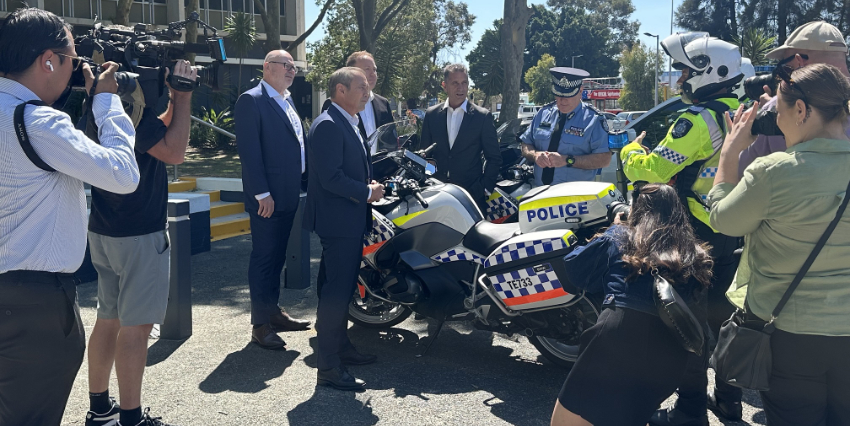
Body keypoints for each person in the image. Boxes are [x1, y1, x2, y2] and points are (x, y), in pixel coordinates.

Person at [0, 8, 140, 426]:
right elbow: (122, 174)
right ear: (47, 60)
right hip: (35, 305)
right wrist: (108, 100)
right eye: (74, 61)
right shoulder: (36, 121)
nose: (76, 70)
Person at [709, 63, 850, 426]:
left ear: (801, 110)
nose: (779, 122)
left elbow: (724, 220)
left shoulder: (774, 171)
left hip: (789, 335)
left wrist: (729, 153)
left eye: (780, 112)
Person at [620, 32, 745, 425]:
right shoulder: (744, 112)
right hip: (735, 230)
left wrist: (630, 150)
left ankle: (690, 412)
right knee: (727, 322)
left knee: (691, 327)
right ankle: (729, 401)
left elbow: (655, 169)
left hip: (697, 236)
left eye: (687, 73)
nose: (680, 82)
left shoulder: (698, 119)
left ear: (711, 73)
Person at [84, 58, 197, 426]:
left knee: (108, 318)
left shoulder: (103, 106)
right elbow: (175, 151)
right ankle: (131, 418)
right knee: (137, 328)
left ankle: (100, 409)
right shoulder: (131, 113)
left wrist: (170, 103)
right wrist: (183, 96)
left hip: (104, 229)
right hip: (139, 235)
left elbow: (155, 133)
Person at [551, 184, 713, 426]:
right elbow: (697, 319)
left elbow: (574, 270)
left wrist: (614, 228)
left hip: (617, 335)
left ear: (636, 210)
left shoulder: (622, 235)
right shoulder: (696, 254)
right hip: (669, 352)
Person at [305, 67, 385, 391]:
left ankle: (341, 348)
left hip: (348, 221)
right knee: (336, 295)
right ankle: (328, 367)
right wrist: (367, 192)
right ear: (340, 90)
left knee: (340, 289)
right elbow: (331, 178)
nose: (367, 93)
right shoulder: (327, 125)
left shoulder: (346, 121)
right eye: (361, 87)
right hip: (338, 224)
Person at [235, 50, 312, 350]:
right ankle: (260, 324)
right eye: (286, 65)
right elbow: (249, 152)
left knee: (278, 257)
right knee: (264, 259)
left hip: (289, 192)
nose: (292, 70)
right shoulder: (251, 100)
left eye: (294, 66)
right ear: (267, 67)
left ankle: (274, 312)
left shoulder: (286, 99)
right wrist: (261, 192)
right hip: (267, 196)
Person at [738, 21, 850, 176]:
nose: (779, 78)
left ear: (799, 62)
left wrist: (771, 111)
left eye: (783, 68)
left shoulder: (777, 110)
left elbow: (742, 177)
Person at [420, 63, 501, 207]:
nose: (461, 88)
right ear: (444, 85)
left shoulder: (482, 117)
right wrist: (429, 180)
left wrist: (484, 188)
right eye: (455, 83)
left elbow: (494, 157)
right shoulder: (432, 115)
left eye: (464, 83)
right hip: (437, 195)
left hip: (471, 196)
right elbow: (426, 156)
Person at [520, 67, 611, 187]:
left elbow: (604, 159)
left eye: (568, 96)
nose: (562, 100)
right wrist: (535, 155)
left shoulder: (593, 119)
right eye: (558, 95)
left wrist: (567, 160)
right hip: (540, 192)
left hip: (575, 198)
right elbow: (526, 144)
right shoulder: (543, 114)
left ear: (580, 91)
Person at [321, 51, 393, 150]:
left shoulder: (383, 103)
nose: (373, 74)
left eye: (374, 69)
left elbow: (390, 141)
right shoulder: (336, 104)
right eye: (367, 69)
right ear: (351, 72)